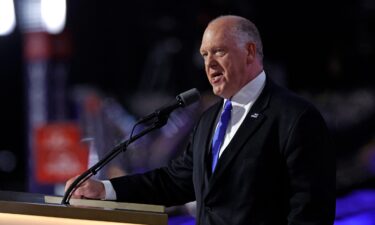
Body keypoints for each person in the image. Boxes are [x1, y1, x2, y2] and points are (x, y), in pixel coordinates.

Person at [65, 15, 336, 225]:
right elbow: (175, 182)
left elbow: (310, 212)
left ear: (250, 52)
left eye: (219, 51)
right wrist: (105, 190)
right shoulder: (209, 120)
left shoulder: (295, 117)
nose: (209, 64)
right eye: (205, 55)